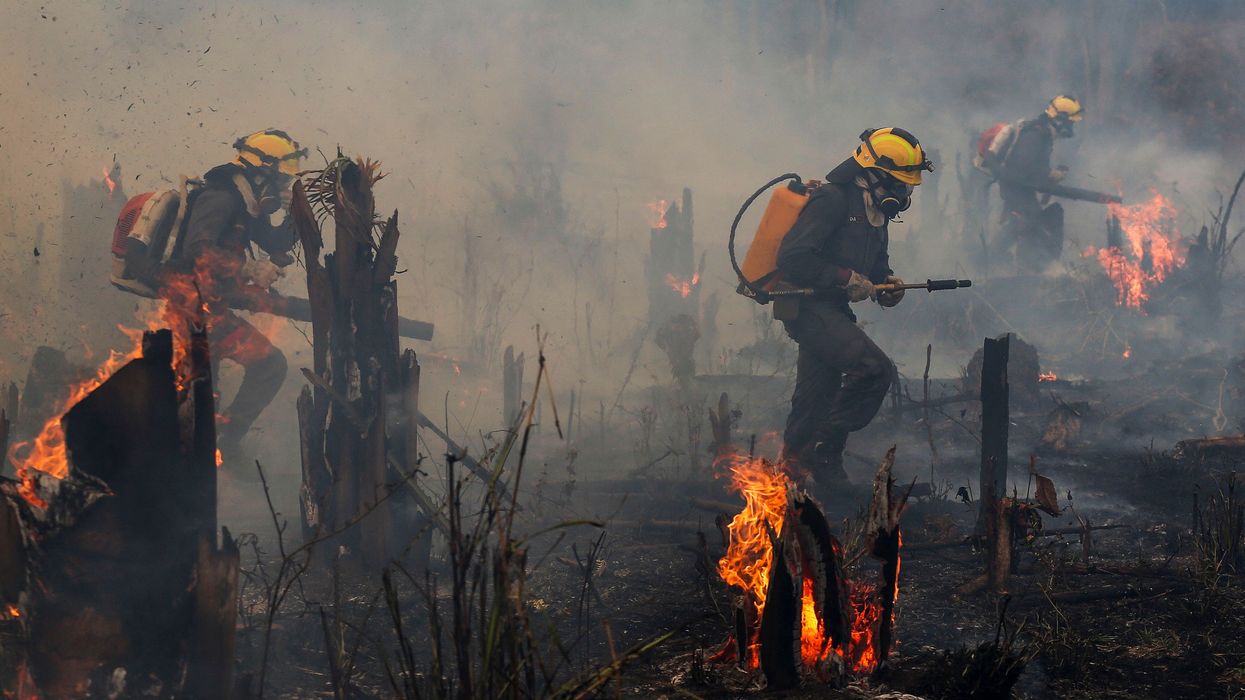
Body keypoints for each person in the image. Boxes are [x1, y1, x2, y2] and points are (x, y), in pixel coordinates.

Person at [776, 127, 931, 485]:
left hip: (833, 311)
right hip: (807, 308)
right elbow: (793, 258)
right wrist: (844, 277)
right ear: (871, 173)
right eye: (896, 183)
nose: (901, 194)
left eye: (905, 186)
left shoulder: (876, 210)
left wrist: (887, 283)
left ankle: (793, 478)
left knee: (814, 397)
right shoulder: (832, 200)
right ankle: (823, 449)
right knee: (873, 369)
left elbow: (876, 265)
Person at [163, 129, 305, 463]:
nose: (282, 188)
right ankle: (206, 454)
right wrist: (247, 270)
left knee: (258, 370)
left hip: (211, 311)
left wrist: (295, 214)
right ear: (259, 173)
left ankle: (218, 444)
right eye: (280, 181)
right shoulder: (221, 198)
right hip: (192, 313)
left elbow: (277, 243)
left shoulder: (246, 206)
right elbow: (198, 249)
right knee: (208, 393)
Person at [978, 95, 1083, 270]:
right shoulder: (1036, 135)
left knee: (1023, 221)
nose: (1071, 127)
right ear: (1060, 119)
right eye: (1070, 122)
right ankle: (1020, 267)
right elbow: (1022, 167)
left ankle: (986, 262)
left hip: (1018, 186)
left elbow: (1029, 169)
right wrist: (1050, 174)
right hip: (1015, 185)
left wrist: (1049, 176)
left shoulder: (1042, 133)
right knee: (1030, 220)